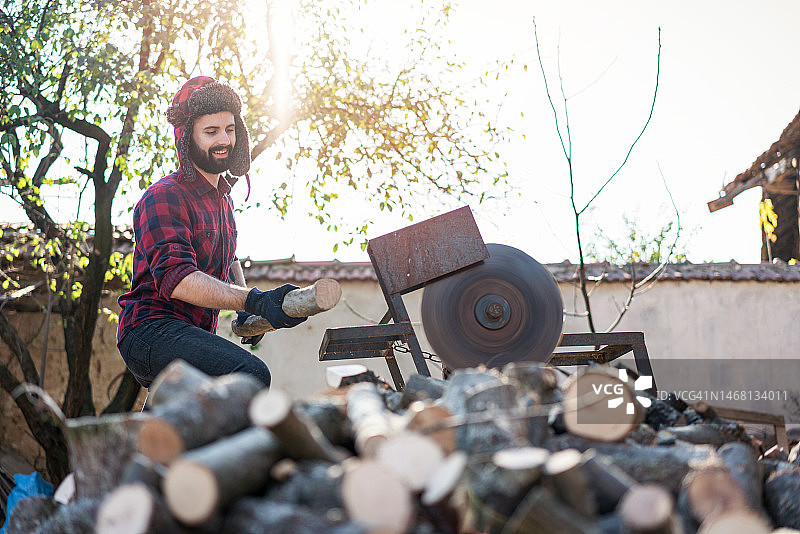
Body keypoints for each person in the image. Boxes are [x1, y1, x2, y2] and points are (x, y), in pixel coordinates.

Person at [116, 76, 306, 389]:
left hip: (190, 333)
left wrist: (245, 312)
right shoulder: (163, 196)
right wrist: (255, 301)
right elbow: (177, 279)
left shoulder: (223, 200)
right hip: (149, 332)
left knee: (184, 424)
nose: (224, 140)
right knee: (249, 374)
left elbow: (227, 258)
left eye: (230, 130)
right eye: (211, 131)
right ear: (187, 138)